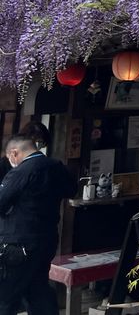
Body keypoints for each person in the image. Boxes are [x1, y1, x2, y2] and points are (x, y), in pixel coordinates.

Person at [0, 133, 76, 315]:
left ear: (14, 153)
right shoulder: (57, 166)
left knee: (6, 297)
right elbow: (72, 190)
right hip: (46, 240)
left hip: (18, 244)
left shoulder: (21, 171)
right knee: (38, 291)